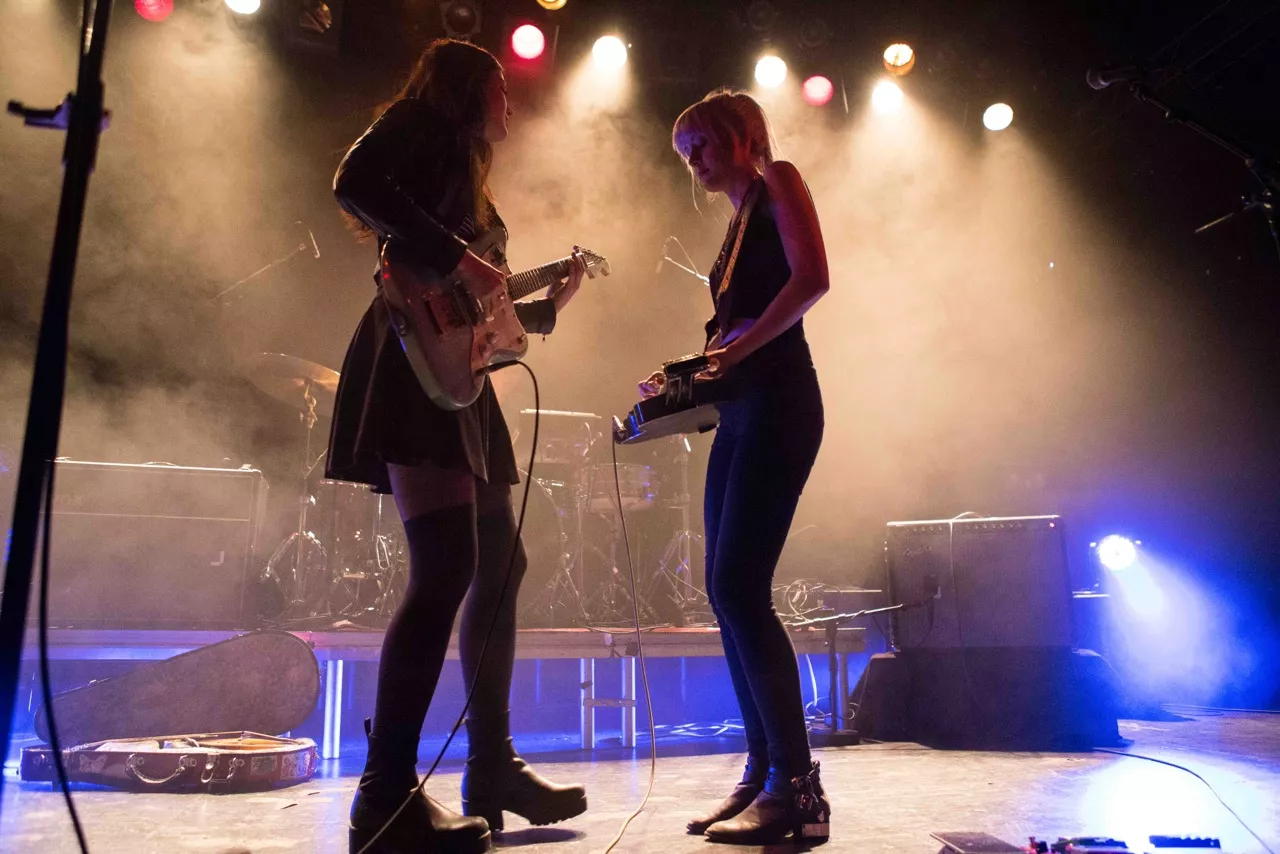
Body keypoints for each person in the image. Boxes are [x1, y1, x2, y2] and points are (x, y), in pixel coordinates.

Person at [327, 38, 588, 854]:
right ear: (467, 89)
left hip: (457, 380)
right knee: (445, 566)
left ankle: (492, 765)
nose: (511, 103)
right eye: (501, 88)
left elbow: (474, 318)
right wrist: (460, 258)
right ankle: (384, 795)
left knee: (498, 566)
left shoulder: (467, 178)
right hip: (412, 369)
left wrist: (543, 308)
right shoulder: (420, 123)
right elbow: (354, 181)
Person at [642, 89, 831, 845]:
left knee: (740, 587)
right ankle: (763, 773)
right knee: (725, 592)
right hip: (743, 411)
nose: (693, 159)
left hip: (781, 405)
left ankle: (798, 788)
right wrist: (684, 379)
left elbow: (812, 279)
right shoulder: (735, 224)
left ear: (746, 135)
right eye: (684, 151)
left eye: (703, 142)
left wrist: (735, 350)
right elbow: (735, 334)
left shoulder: (779, 178)